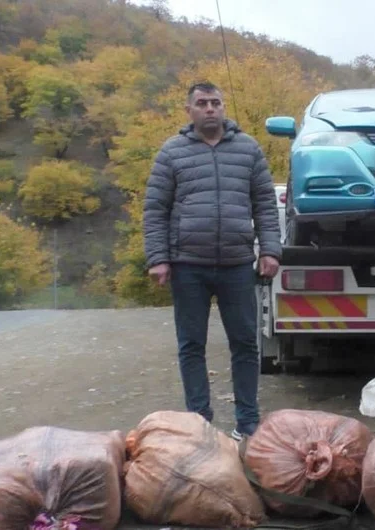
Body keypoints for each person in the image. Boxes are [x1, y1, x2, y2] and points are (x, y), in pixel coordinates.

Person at [142, 81, 282, 441]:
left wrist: (269, 249)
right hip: (188, 264)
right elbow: (155, 209)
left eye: (215, 102)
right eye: (202, 103)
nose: (209, 109)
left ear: (223, 107)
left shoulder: (248, 149)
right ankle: (199, 423)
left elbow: (265, 204)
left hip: (237, 264)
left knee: (246, 344)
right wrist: (158, 258)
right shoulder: (171, 153)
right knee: (192, 345)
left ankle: (248, 424)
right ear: (189, 109)